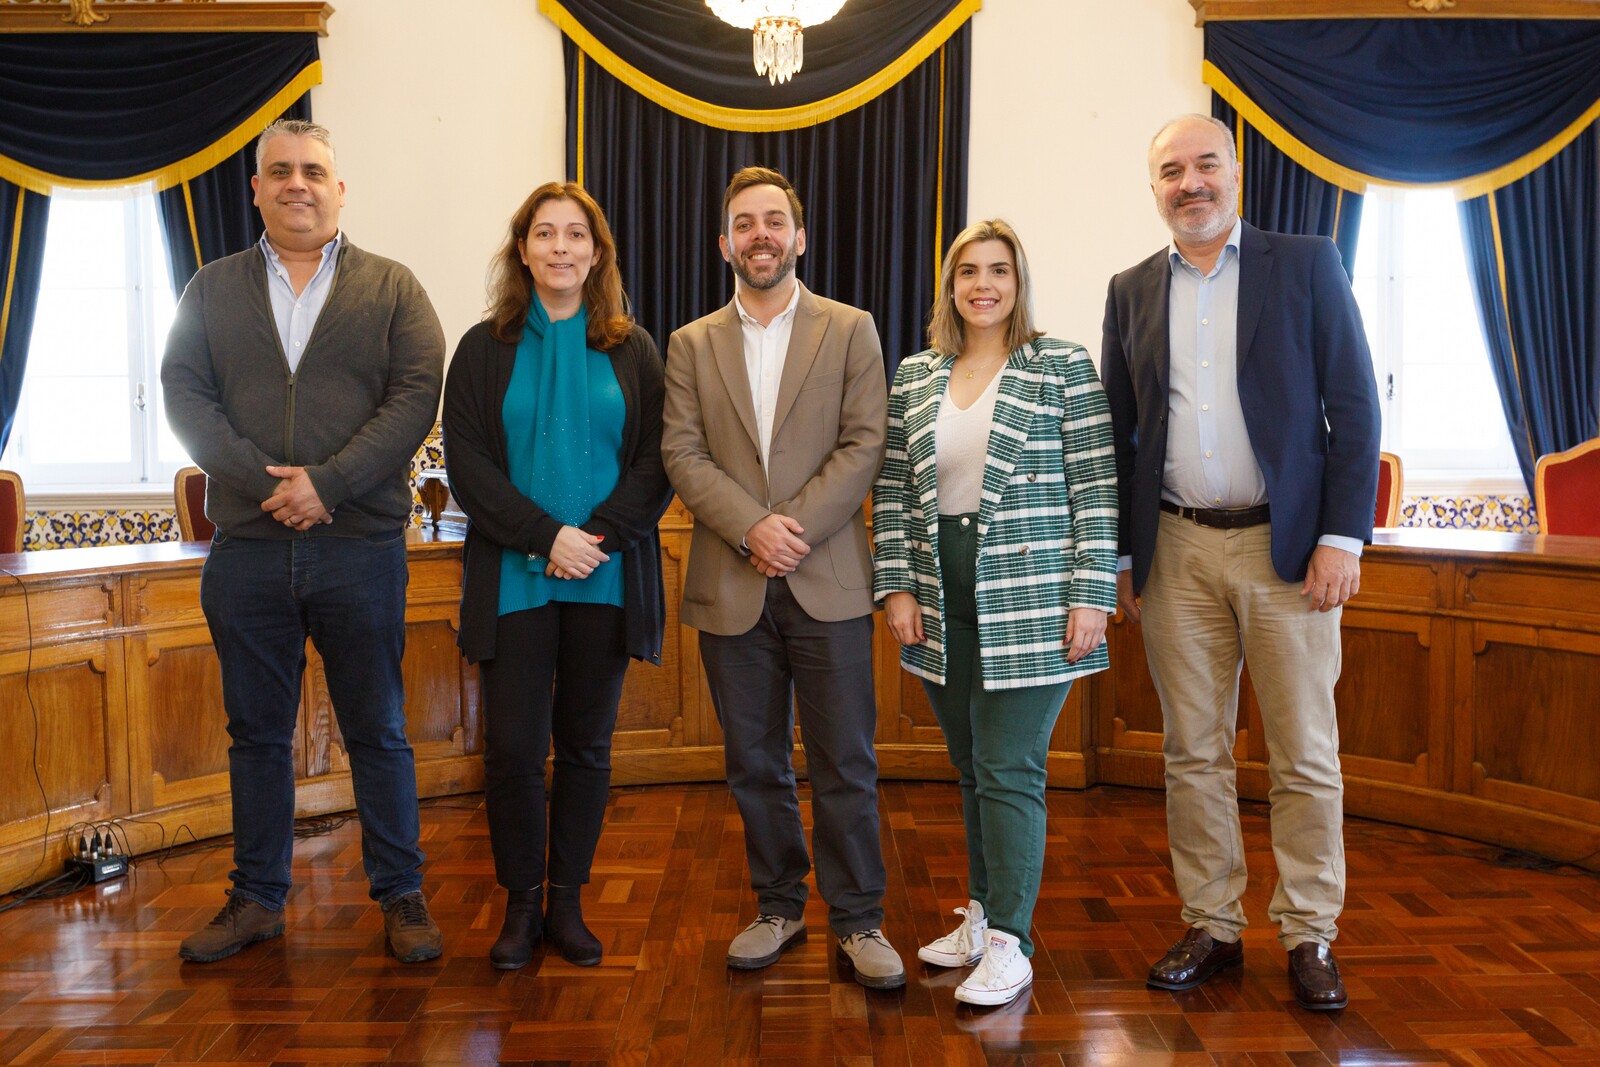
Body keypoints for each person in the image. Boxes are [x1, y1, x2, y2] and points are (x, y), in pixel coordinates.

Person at [1100, 114, 1381, 1011]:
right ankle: (1213, 921)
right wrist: (1120, 553)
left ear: (1235, 172)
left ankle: (1309, 929)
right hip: (1174, 548)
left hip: (1287, 549)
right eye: (1171, 171)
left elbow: (1354, 406)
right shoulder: (1130, 289)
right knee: (1193, 751)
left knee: (1304, 752)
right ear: (1154, 188)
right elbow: (1119, 432)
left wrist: (1342, 536)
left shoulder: (1305, 264)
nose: (1190, 183)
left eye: (1205, 165)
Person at [161, 119, 446, 963]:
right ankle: (256, 899)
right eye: (280, 171)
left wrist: (329, 483)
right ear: (255, 189)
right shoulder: (209, 289)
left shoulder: (392, 288)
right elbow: (184, 394)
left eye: (314, 171)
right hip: (247, 551)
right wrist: (267, 483)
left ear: (339, 189)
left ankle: (402, 896)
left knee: (378, 728)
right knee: (256, 734)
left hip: (360, 546)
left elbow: (415, 395)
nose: (298, 184)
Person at [660, 166, 902, 990]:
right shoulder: (690, 343)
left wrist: (789, 530)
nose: (759, 234)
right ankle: (778, 905)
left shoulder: (852, 328)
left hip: (826, 575)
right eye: (744, 223)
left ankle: (859, 917)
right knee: (754, 763)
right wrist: (750, 527)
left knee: (846, 761)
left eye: (773, 221)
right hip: (731, 584)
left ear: (800, 237)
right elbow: (681, 451)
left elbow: (866, 442)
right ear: (723, 243)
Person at [872, 220, 1118, 1006]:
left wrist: (1092, 592)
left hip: (1035, 597)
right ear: (950, 285)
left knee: (1010, 765)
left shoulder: (1061, 365)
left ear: (1019, 282)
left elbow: (1096, 486)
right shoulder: (916, 374)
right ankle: (980, 919)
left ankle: (1012, 942)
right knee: (974, 764)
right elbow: (893, 488)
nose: (983, 284)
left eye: (999, 270)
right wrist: (897, 586)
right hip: (940, 595)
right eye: (969, 271)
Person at [442, 182, 672, 971]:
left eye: (576, 234)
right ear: (523, 249)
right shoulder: (482, 349)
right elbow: (468, 466)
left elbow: (656, 462)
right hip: (515, 577)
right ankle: (522, 904)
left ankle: (568, 902)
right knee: (512, 749)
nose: (561, 247)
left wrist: (591, 540)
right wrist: (548, 538)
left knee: (585, 747)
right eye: (545, 233)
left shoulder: (634, 350)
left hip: (604, 577)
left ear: (597, 252)